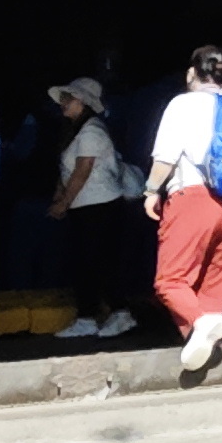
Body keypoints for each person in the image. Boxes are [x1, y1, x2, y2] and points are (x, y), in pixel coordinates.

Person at [142, 47, 222, 378]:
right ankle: (204, 349)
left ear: (191, 73)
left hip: (193, 197)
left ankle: (200, 323)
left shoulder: (182, 105)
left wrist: (151, 191)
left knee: (170, 280)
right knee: (216, 283)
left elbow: (166, 156)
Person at [46, 76, 140, 341]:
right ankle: (92, 316)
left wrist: (63, 202)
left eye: (68, 98)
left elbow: (82, 170)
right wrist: (61, 196)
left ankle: (113, 314)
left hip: (99, 207)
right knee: (89, 263)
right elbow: (68, 170)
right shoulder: (77, 130)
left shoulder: (91, 132)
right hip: (88, 206)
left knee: (97, 263)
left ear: (82, 101)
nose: (63, 102)